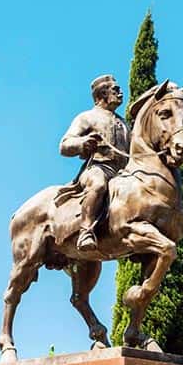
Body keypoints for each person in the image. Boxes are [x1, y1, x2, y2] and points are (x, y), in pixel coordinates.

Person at [57, 74, 130, 251]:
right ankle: (86, 231)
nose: (121, 92)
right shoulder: (87, 117)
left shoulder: (125, 123)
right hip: (97, 167)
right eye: (115, 89)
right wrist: (82, 143)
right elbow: (64, 145)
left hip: (122, 172)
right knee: (98, 185)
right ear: (100, 95)